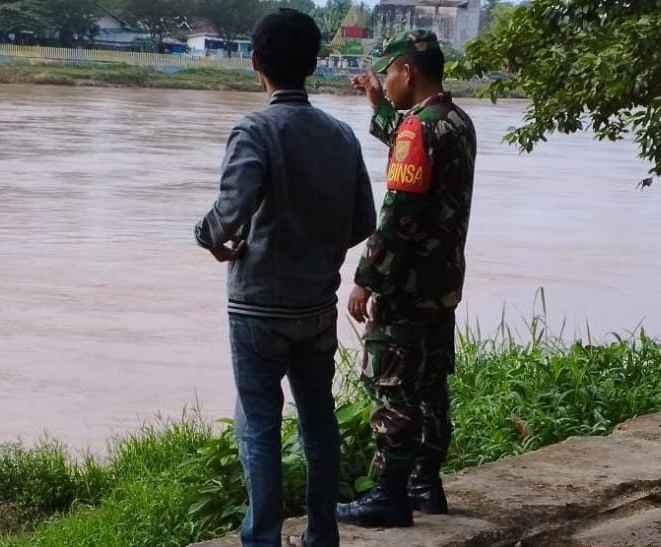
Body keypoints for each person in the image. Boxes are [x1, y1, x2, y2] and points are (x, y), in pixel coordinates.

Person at [194, 8, 377, 547]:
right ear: (314, 64)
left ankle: (263, 538)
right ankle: (322, 535)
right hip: (317, 307)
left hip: (257, 308)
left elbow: (228, 214)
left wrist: (205, 237)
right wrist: (315, 249)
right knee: (318, 423)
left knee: (258, 423)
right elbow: (363, 223)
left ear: (256, 63)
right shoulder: (341, 135)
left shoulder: (254, 129)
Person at [335, 30, 477, 528]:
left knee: (392, 387)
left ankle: (389, 497)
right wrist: (377, 104)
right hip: (442, 286)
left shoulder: (420, 129)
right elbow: (412, 142)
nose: (386, 80)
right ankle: (425, 486)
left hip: (406, 286)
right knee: (432, 384)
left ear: (408, 71)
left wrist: (365, 280)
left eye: (388, 73)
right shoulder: (457, 121)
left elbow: (398, 214)